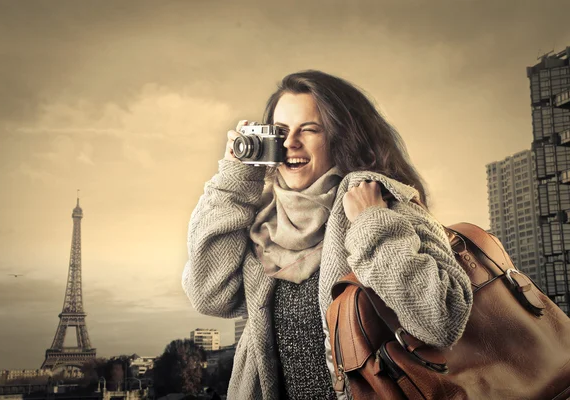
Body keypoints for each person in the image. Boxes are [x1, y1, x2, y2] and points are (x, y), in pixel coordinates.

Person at [182, 70, 473, 400]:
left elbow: (441, 321)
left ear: (341, 137)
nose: (291, 142)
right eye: (280, 133)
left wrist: (371, 224)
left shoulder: (383, 205)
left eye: (309, 130)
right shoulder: (262, 225)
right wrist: (235, 180)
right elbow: (209, 295)